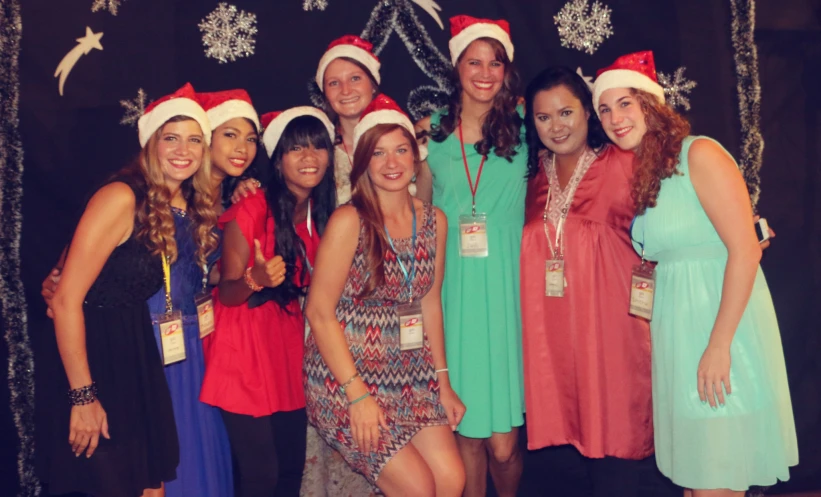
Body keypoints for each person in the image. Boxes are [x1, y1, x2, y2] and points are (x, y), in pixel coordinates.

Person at [594, 51, 798, 496]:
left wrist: (719, 345)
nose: (614, 117)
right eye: (604, 109)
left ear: (651, 103)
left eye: (624, 103)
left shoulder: (699, 153)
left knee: (715, 481)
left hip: (719, 332)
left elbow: (745, 252)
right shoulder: (648, 173)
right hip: (681, 338)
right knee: (696, 481)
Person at [38, 83, 215, 497]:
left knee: (149, 490)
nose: (182, 149)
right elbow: (65, 301)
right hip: (95, 363)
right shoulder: (121, 196)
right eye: (171, 137)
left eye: (194, 139)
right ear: (151, 142)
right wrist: (83, 397)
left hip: (135, 360)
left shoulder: (172, 202)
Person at [303, 94, 466, 497]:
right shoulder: (349, 220)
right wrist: (357, 395)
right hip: (346, 376)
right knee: (417, 488)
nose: (392, 164)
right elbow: (319, 313)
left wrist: (443, 383)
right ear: (363, 162)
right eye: (378, 153)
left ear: (415, 156)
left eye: (401, 151)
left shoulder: (434, 221)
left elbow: (428, 301)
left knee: (451, 481)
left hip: (412, 371)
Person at [520, 66, 653, 496]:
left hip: (613, 335)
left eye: (566, 113)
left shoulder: (624, 162)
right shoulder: (535, 174)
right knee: (568, 460)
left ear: (587, 113)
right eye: (543, 118)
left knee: (616, 452)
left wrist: (745, 222)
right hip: (556, 345)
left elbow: (684, 204)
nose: (556, 126)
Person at [415, 15, 526, 497]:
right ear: (455, 67)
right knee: (467, 436)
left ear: (506, 69)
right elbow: (415, 211)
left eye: (495, 62)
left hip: (510, 292)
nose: (484, 72)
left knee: (503, 446)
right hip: (453, 295)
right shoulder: (430, 133)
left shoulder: (529, 126)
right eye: (473, 61)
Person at [200, 106, 337, 497]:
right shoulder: (252, 206)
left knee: (291, 468)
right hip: (242, 344)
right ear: (278, 160)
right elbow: (227, 291)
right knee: (261, 476)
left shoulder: (320, 214)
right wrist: (254, 279)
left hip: (287, 342)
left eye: (317, 147)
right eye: (296, 149)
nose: (309, 157)